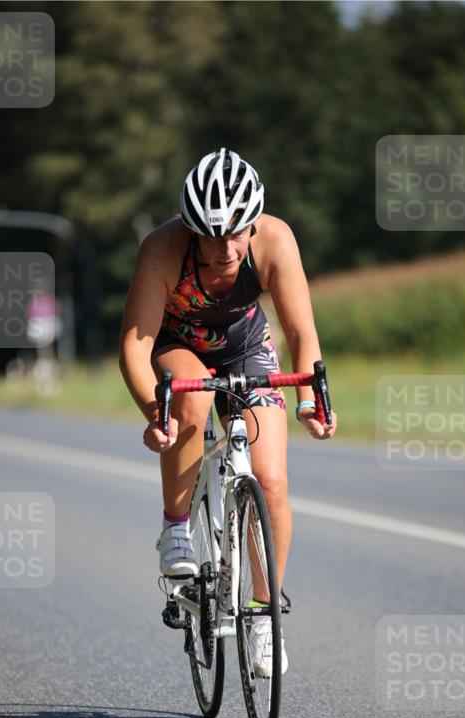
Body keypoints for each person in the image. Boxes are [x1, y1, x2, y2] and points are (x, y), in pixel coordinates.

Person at [120, 148, 337, 675]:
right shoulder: (162, 249)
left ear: (252, 225)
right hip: (177, 345)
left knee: (273, 481)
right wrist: (157, 411)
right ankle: (176, 526)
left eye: (236, 234)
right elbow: (134, 344)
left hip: (246, 347)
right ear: (190, 230)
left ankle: (263, 616)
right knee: (189, 401)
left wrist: (310, 398)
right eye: (210, 236)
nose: (223, 249)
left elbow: (301, 332)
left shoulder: (277, 240)